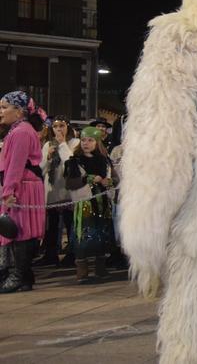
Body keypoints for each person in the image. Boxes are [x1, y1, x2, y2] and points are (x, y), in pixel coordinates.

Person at [0, 91, 46, 294]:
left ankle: (18, 276)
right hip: (24, 184)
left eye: (4, 107)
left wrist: (8, 191)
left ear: (18, 112)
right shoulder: (19, 130)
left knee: (21, 232)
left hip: (23, 186)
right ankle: (25, 277)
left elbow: (16, 166)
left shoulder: (21, 132)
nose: (0, 112)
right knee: (20, 232)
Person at [64, 126, 116, 283]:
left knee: (103, 235)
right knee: (83, 237)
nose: (86, 143)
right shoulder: (73, 162)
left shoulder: (106, 161)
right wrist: (86, 179)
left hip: (102, 204)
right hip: (84, 204)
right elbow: (69, 183)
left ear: (97, 142)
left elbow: (116, 179)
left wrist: (110, 181)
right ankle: (82, 270)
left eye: (90, 140)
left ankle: (101, 268)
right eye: (84, 140)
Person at [37, 116, 79, 267]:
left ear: (68, 127)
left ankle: (72, 254)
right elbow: (40, 169)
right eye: (55, 127)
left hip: (68, 192)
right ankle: (50, 254)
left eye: (62, 126)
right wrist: (48, 158)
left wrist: (62, 144)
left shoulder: (75, 143)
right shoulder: (48, 144)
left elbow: (71, 162)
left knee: (70, 224)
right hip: (52, 191)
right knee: (52, 226)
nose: (59, 129)